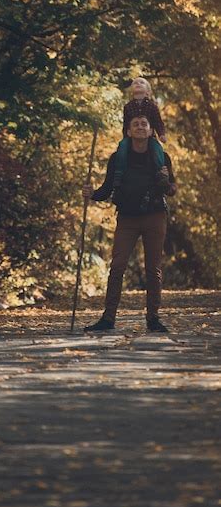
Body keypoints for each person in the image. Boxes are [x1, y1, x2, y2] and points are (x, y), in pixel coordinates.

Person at [82, 113, 176, 333]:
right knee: (117, 266)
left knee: (153, 269)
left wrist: (165, 182)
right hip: (127, 217)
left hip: (155, 215)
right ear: (129, 131)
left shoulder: (163, 156)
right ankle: (108, 318)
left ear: (151, 130)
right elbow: (107, 189)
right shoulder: (118, 158)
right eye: (136, 124)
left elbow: (172, 190)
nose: (141, 127)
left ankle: (153, 319)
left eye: (145, 124)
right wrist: (92, 193)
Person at [113, 77, 166, 190]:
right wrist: (125, 137)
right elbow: (126, 123)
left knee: (157, 150)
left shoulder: (152, 106)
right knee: (122, 147)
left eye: (141, 82)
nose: (138, 83)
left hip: (149, 136)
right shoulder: (128, 107)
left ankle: (160, 172)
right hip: (131, 136)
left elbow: (158, 122)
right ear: (132, 90)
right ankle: (119, 173)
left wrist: (161, 134)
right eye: (135, 83)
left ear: (147, 91)